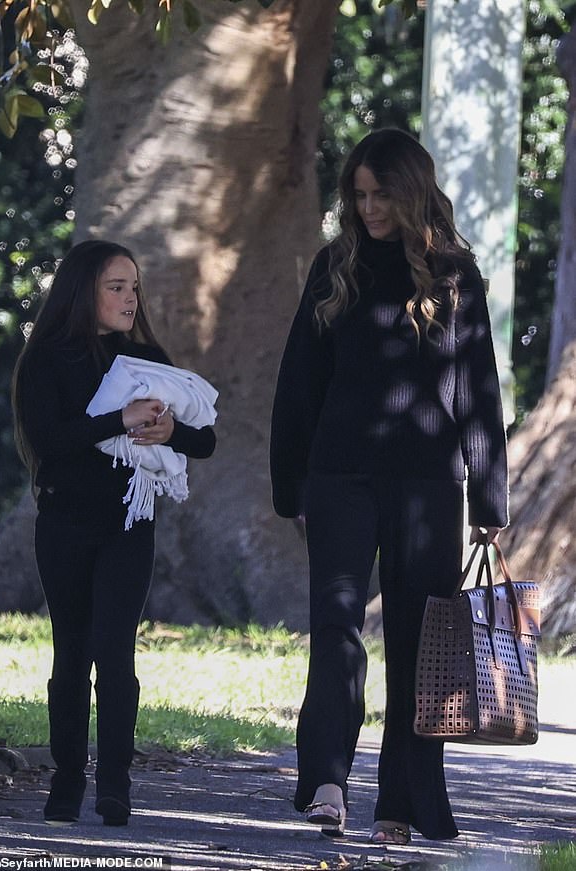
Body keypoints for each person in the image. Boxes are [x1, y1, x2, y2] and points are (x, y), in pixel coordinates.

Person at [270, 128, 508, 844]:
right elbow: (298, 385)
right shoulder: (333, 266)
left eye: (380, 193)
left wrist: (490, 503)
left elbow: (479, 392)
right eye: (358, 195)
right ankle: (326, 784)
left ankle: (405, 802)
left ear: (412, 190)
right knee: (336, 629)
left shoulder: (453, 273)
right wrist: (291, 486)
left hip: (430, 485)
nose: (368, 207)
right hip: (339, 476)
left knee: (417, 641)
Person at [12, 240, 216, 827]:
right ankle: (67, 781)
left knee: (115, 652)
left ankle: (115, 786)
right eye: (116, 287)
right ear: (83, 292)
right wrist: (119, 420)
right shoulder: (47, 356)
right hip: (65, 523)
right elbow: (49, 441)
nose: (130, 299)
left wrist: (170, 430)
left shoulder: (145, 357)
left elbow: (203, 440)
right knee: (71, 652)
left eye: (134, 288)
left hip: (129, 525)